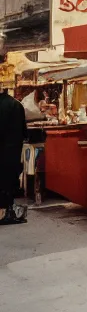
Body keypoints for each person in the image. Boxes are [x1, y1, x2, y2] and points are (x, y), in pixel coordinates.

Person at [0, 89, 28, 225]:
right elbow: (24, 132)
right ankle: (6, 212)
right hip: (11, 152)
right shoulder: (16, 105)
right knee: (8, 181)